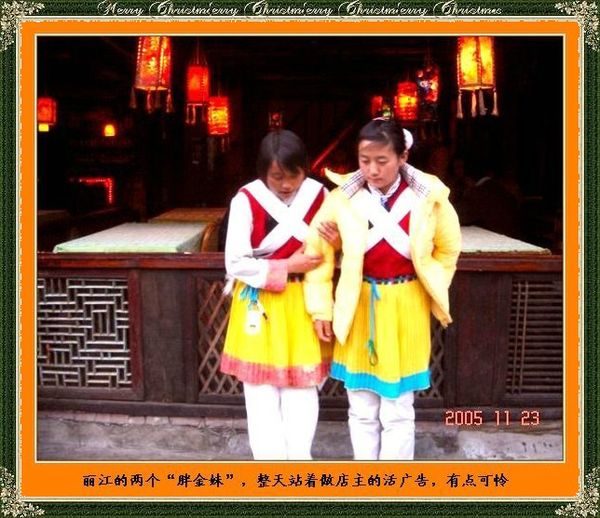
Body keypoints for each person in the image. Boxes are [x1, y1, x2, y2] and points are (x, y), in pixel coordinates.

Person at [303, 118, 461, 460]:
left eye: (382, 161)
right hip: (358, 304)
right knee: (361, 406)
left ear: (403, 157)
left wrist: (433, 284)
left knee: (398, 408)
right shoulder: (341, 199)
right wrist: (320, 309)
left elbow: (448, 249)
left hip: (408, 306)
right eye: (365, 161)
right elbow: (317, 254)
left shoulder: (429, 197)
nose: (372, 170)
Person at [220, 129, 334, 460]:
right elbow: (235, 263)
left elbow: (334, 252)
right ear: (262, 172)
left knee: (302, 390)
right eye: (277, 177)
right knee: (260, 393)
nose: (286, 184)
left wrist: (336, 242)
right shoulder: (245, 200)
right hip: (259, 303)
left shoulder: (321, 197)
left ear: (305, 168)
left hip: (304, 302)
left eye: (293, 175)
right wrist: (287, 265)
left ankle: (299, 464)